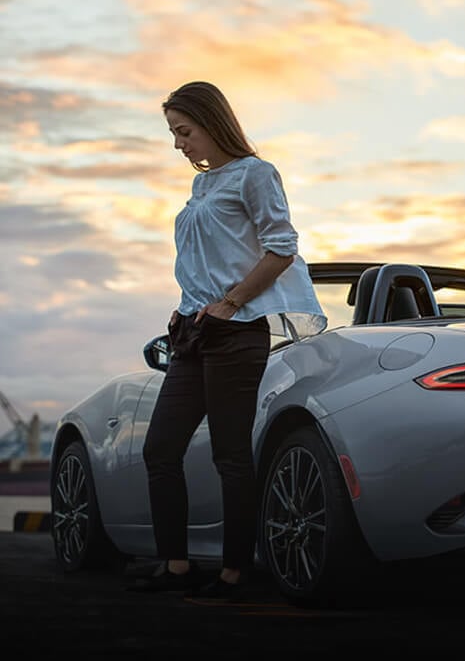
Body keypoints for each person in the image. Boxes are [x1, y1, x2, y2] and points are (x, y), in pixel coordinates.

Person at [133, 81, 327, 599]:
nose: (179, 144)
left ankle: (235, 573)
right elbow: (205, 259)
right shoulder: (202, 186)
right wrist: (187, 307)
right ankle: (176, 565)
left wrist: (230, 302)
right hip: (193, 332)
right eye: (173, 134)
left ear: (211, 123)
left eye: (184, 131)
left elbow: (281, 248)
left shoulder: (255, 174)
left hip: (237, 333)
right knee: (160, 449)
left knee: (230, 455)